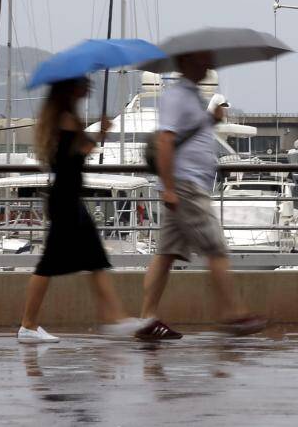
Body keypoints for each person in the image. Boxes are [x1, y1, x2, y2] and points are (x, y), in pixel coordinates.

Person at [136, 51, 266, 340]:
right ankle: (234, 315)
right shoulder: (176, 97)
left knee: (166, 254)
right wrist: (169, 188)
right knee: (216, 249)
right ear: (185, 64)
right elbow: (166, 140)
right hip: (185, 186)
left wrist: (211, 119)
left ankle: (146, 320)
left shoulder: (191, 97)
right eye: (201, 60)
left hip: (185, 185)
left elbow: (187, 135)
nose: (208, 65)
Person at [18, 77, 145, 343]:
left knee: (95, 259)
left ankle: (113, 318)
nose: (89, 88)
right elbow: (75, 156)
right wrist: (96, 133)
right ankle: (28, 325)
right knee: (49, 265)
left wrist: (98, 134)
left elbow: (78, 152)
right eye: (84, 84)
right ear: (71, 88)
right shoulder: (66, 118)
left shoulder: (62, 117)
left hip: (68, 199)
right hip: (65, 200)